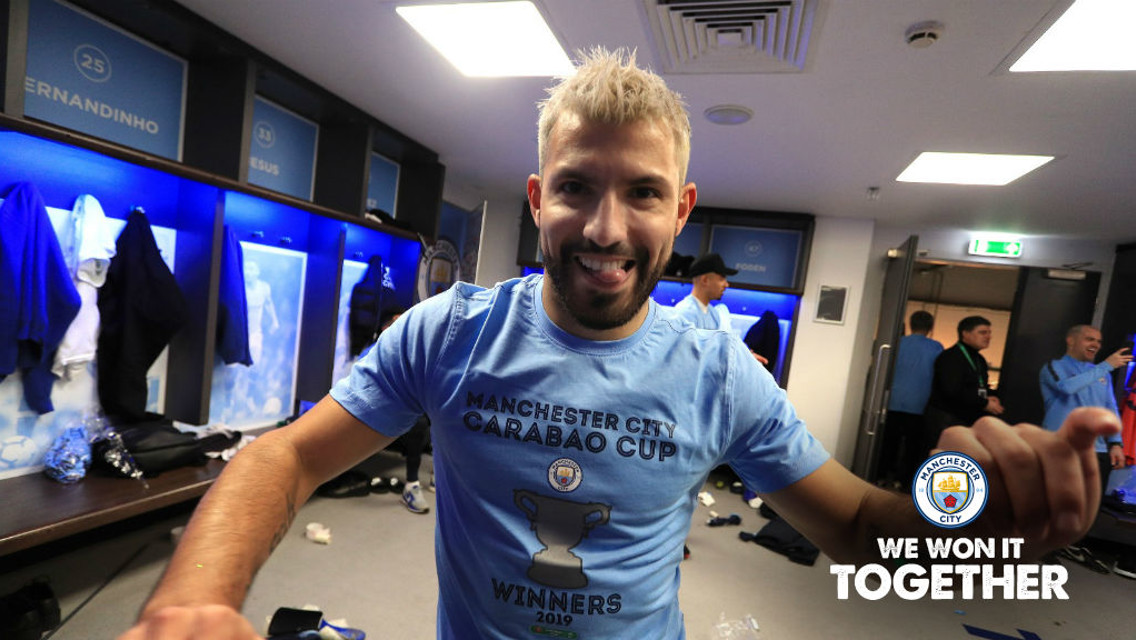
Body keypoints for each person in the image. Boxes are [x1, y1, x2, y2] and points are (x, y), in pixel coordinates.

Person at [119, 48, 1118, 640]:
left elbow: (856, 524)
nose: (605, 228)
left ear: (678, 210)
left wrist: (969, 524)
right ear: (536, 198)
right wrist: (191, 600)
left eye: (641, 192)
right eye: (575, 187)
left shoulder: (715, 370)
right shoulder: (452, 332)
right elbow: (286, 458)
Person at [1041, 325, 1132, 497]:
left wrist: (1116, 443)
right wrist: (1106, 365)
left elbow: (1110, 408)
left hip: (1096, 451)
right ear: (1071, 341)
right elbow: (1067, 387)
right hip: (1061, 448)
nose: (1096, 345)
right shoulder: (1053, 367)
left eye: (1099, 341)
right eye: (1090, 339)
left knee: (1089, 508)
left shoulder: (1102, 373)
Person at [878, 310, 942, 489]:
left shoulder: (897, 343)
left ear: (911, 324)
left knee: (888, 443)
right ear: (930, 328)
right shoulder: (936, 347)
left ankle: (881, 476)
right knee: (912, 447)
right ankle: (903, 481)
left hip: (892, 402)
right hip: (919, 406)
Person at [925, 315, 1004, 440]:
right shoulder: (951, 357)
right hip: (947, 420)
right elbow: (952, 390)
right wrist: (984, 403)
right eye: (982, 332)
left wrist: (988, 396)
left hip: (965, 420)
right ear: (965, 334)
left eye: (989, 333)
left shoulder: (979, 359)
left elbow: (976, 386)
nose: (988, 337)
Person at [673, 253, 736, 330]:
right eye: (721, 279)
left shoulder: (714, 314)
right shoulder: (685, 312)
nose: (726, 284)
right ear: (705, 280)